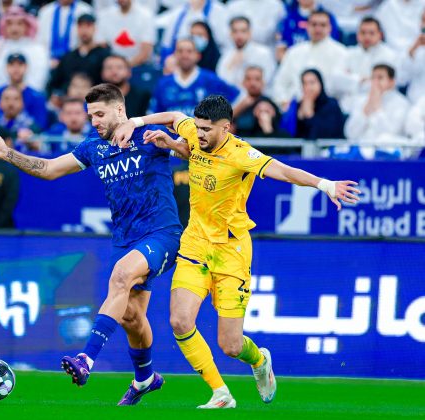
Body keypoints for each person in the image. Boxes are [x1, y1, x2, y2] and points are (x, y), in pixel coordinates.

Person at [113, 95, 360, 409]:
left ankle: (258, 360)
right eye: (198, 128)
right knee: (179, 321)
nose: (199, 134)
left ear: (225, 128)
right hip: (195, 245)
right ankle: (220, 393)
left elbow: (283, 171)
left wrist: (325, 185)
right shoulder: (193, 134)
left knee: (230, 345)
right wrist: (142, 126)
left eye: (206, 130)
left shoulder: (241, 154)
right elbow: (175, 116)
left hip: (231, 251)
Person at [0, 83, 183, 405]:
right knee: (132, 317)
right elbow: (48, 169)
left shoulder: (150, 137)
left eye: (100, 114)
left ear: (120, 110)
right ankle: (146, 378)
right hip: (124, 239)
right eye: (92, 116)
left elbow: (186, 130)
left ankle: (85, 359)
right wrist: (7, 154)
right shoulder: (93, 147)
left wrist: (152, 129)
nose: (95, 122)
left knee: (120, 277)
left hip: (163, 233)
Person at [272, 10, 347, 110]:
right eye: (314, 24)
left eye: (322, 25)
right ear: (307, 26)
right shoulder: (294, 52)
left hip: (326, 109)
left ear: (329, 28)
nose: (318, 29)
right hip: (294, 108)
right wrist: (283, 101)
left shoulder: (341, 53)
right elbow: (280, 82)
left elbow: (340, 87)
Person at [150, 38, 239, 115]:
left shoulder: (210, 79)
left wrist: (225, 122)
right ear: (175, 55)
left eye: (189, 51)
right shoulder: (163, 83)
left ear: (198, 55)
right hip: (171, 133)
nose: (184, 55)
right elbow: (153, 114)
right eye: (180, 51)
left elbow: (238, 97)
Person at [0, 53, 48, 136]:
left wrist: (30, 133)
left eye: (20, 65)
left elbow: (41, 125)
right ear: (6, 67)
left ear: (26, 67)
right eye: (12, 65)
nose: (16, 69)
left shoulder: (37, 96)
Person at [343, 64, 411, 159]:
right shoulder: (361, 100)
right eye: (373, 78)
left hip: (388, 154)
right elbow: (350, 133)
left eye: (380, 78)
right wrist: (366, 110)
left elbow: (392, 133)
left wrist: (378, 108)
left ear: (392, 82)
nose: (375, 82)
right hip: (360, 154)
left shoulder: (401, 103)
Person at [338, 16, 398, 113]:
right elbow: (337, 82)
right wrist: (361, 80)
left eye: (371, 33)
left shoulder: (389, 56)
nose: (367, 37)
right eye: (363, 33)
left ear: (380, 35)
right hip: (347, 105)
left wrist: (351, 78)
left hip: (377, 106)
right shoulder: (348, 53)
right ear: (357, 34)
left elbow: (384, 85)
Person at [0, 7, 49, 91]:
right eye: (10, 24)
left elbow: (39, 81)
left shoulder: (38, 50)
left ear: (27, 25)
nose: (14, 28)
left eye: (19, 23)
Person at [49, 14, 110, 96]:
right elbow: (56, 83)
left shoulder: (104, 55)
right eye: (80, 26)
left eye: (88, 26)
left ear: (95, 29)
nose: (84, 30)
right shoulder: (68, 57)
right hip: (69, 102)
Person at [281, 69, 345, 139]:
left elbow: (328, 133)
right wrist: (299, 117)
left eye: (312, 82)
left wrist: (310, 115)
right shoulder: (299, 106)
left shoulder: (331, 105)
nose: (309, 87)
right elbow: (290, 134)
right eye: (305, 83)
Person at [216, 16, 275, 88]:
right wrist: (232, 65)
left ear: (250, 33)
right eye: (235, 31)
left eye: (243, 31)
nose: (239, 35)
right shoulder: (226, 56)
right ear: (230, 34)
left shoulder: (263, 53)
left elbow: (267, 80)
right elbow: (221, 82)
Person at [232, 66, 289, 139]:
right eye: (248, 79)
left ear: (263, 82)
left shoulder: (267, 103)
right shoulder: (238, 104)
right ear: (243, 82)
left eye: (257, 79)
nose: (252, 83)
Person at [97, 0, 155, 67]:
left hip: (138, 67)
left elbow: (146, 51)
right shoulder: (104, 15)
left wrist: (124, 67)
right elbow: (101, 45)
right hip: (111, 67)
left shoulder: (146, 15)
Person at [37, 0, 94, 66]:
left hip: (76, 62)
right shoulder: (45, 12)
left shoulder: (86, 10)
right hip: (49, 62)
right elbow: (40, 42)